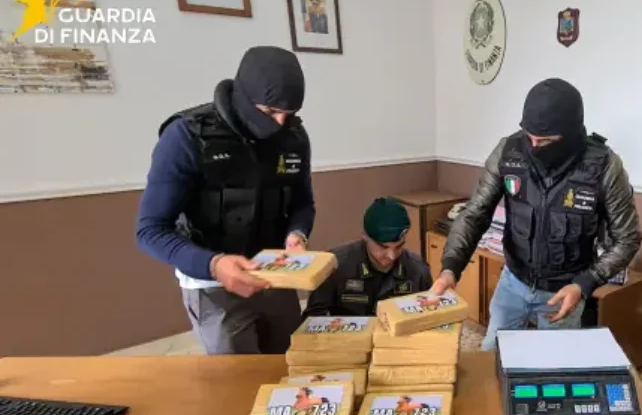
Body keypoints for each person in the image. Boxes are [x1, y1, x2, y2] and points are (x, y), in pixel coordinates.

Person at [430, 78, 642, 351]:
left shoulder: (604, 167)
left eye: (545, 141)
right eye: (529, 137)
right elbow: (474, 215)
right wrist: (450, 268)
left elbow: (627, 238)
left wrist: (584, 284)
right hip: (513, 281)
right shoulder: (509, 151)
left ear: (570, 134)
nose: (533, 146)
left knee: (550, 366)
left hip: (565, 291)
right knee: (491, 356)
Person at [135, 46, 314, 355]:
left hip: (275, 278)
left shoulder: (294, 137)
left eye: (290, 113)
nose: (280, 123)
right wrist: (214, 265)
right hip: (213, 288)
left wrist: (296, 235)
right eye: (270, 112)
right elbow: (149, 231)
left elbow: (302, 203)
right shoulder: (187, 136)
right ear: (244, 97)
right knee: (236, 378)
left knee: (288, 366)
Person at [303, 197, 432, 317]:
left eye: (399, 247)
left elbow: (431, 316)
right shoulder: (334, 266)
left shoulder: (418, 271)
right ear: (365, 236)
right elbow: (312, 319)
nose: (392, 256)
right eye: (383, 247)